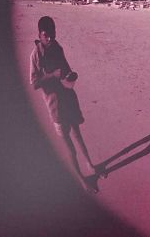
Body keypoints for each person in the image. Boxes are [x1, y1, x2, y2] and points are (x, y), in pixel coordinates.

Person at [30, 16, 99, 193]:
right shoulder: (35, 55)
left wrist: (71, 75)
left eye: (52, 33)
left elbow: (66, 68)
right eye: (46, 35)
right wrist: (52, 75)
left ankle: (90, 165)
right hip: (55, 107)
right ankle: (81, 180)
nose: (50, 38)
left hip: (68, 98)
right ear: (39, 34)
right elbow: (35, 83)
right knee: (69, 147)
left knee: (78, 135)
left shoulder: (57, 47)